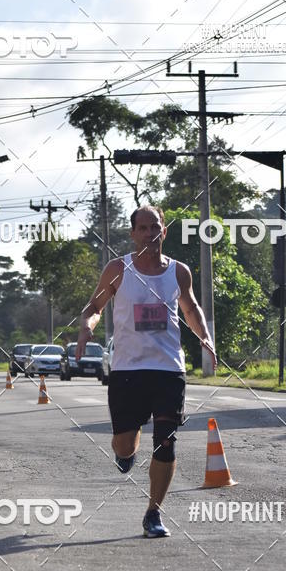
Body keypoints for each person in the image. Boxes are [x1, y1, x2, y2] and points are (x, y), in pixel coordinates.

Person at [76, 205, 216, 538]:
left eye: (155, 228)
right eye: (143, 228)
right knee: (124, 445)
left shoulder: (179, 272)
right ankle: (127, 453)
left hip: (168, 368)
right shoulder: (118, 269)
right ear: (133, 233)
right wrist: (87, 327)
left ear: (164, 232)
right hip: (128, 370)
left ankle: (153, 513)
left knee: (166, 443)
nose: (150, 234)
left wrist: (205, 337)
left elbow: (191, 307)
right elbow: (94, 307)